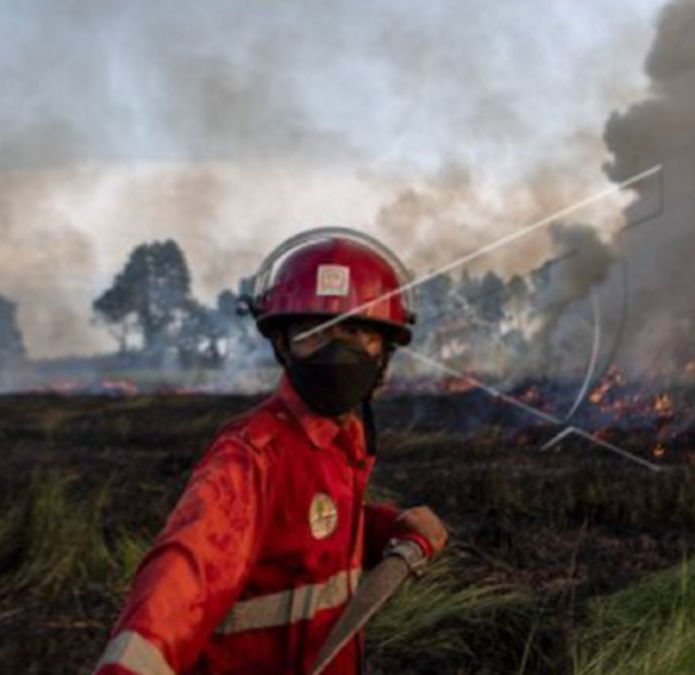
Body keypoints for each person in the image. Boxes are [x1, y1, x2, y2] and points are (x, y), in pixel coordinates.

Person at [94, 228, 448, 675]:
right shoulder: (250, 456)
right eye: (314, 331)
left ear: (385, 350)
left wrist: (387, 528)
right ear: (282, 343)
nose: (337, 350)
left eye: (356, 329)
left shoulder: (340, 444)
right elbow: (185, 577)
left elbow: (308, 536)